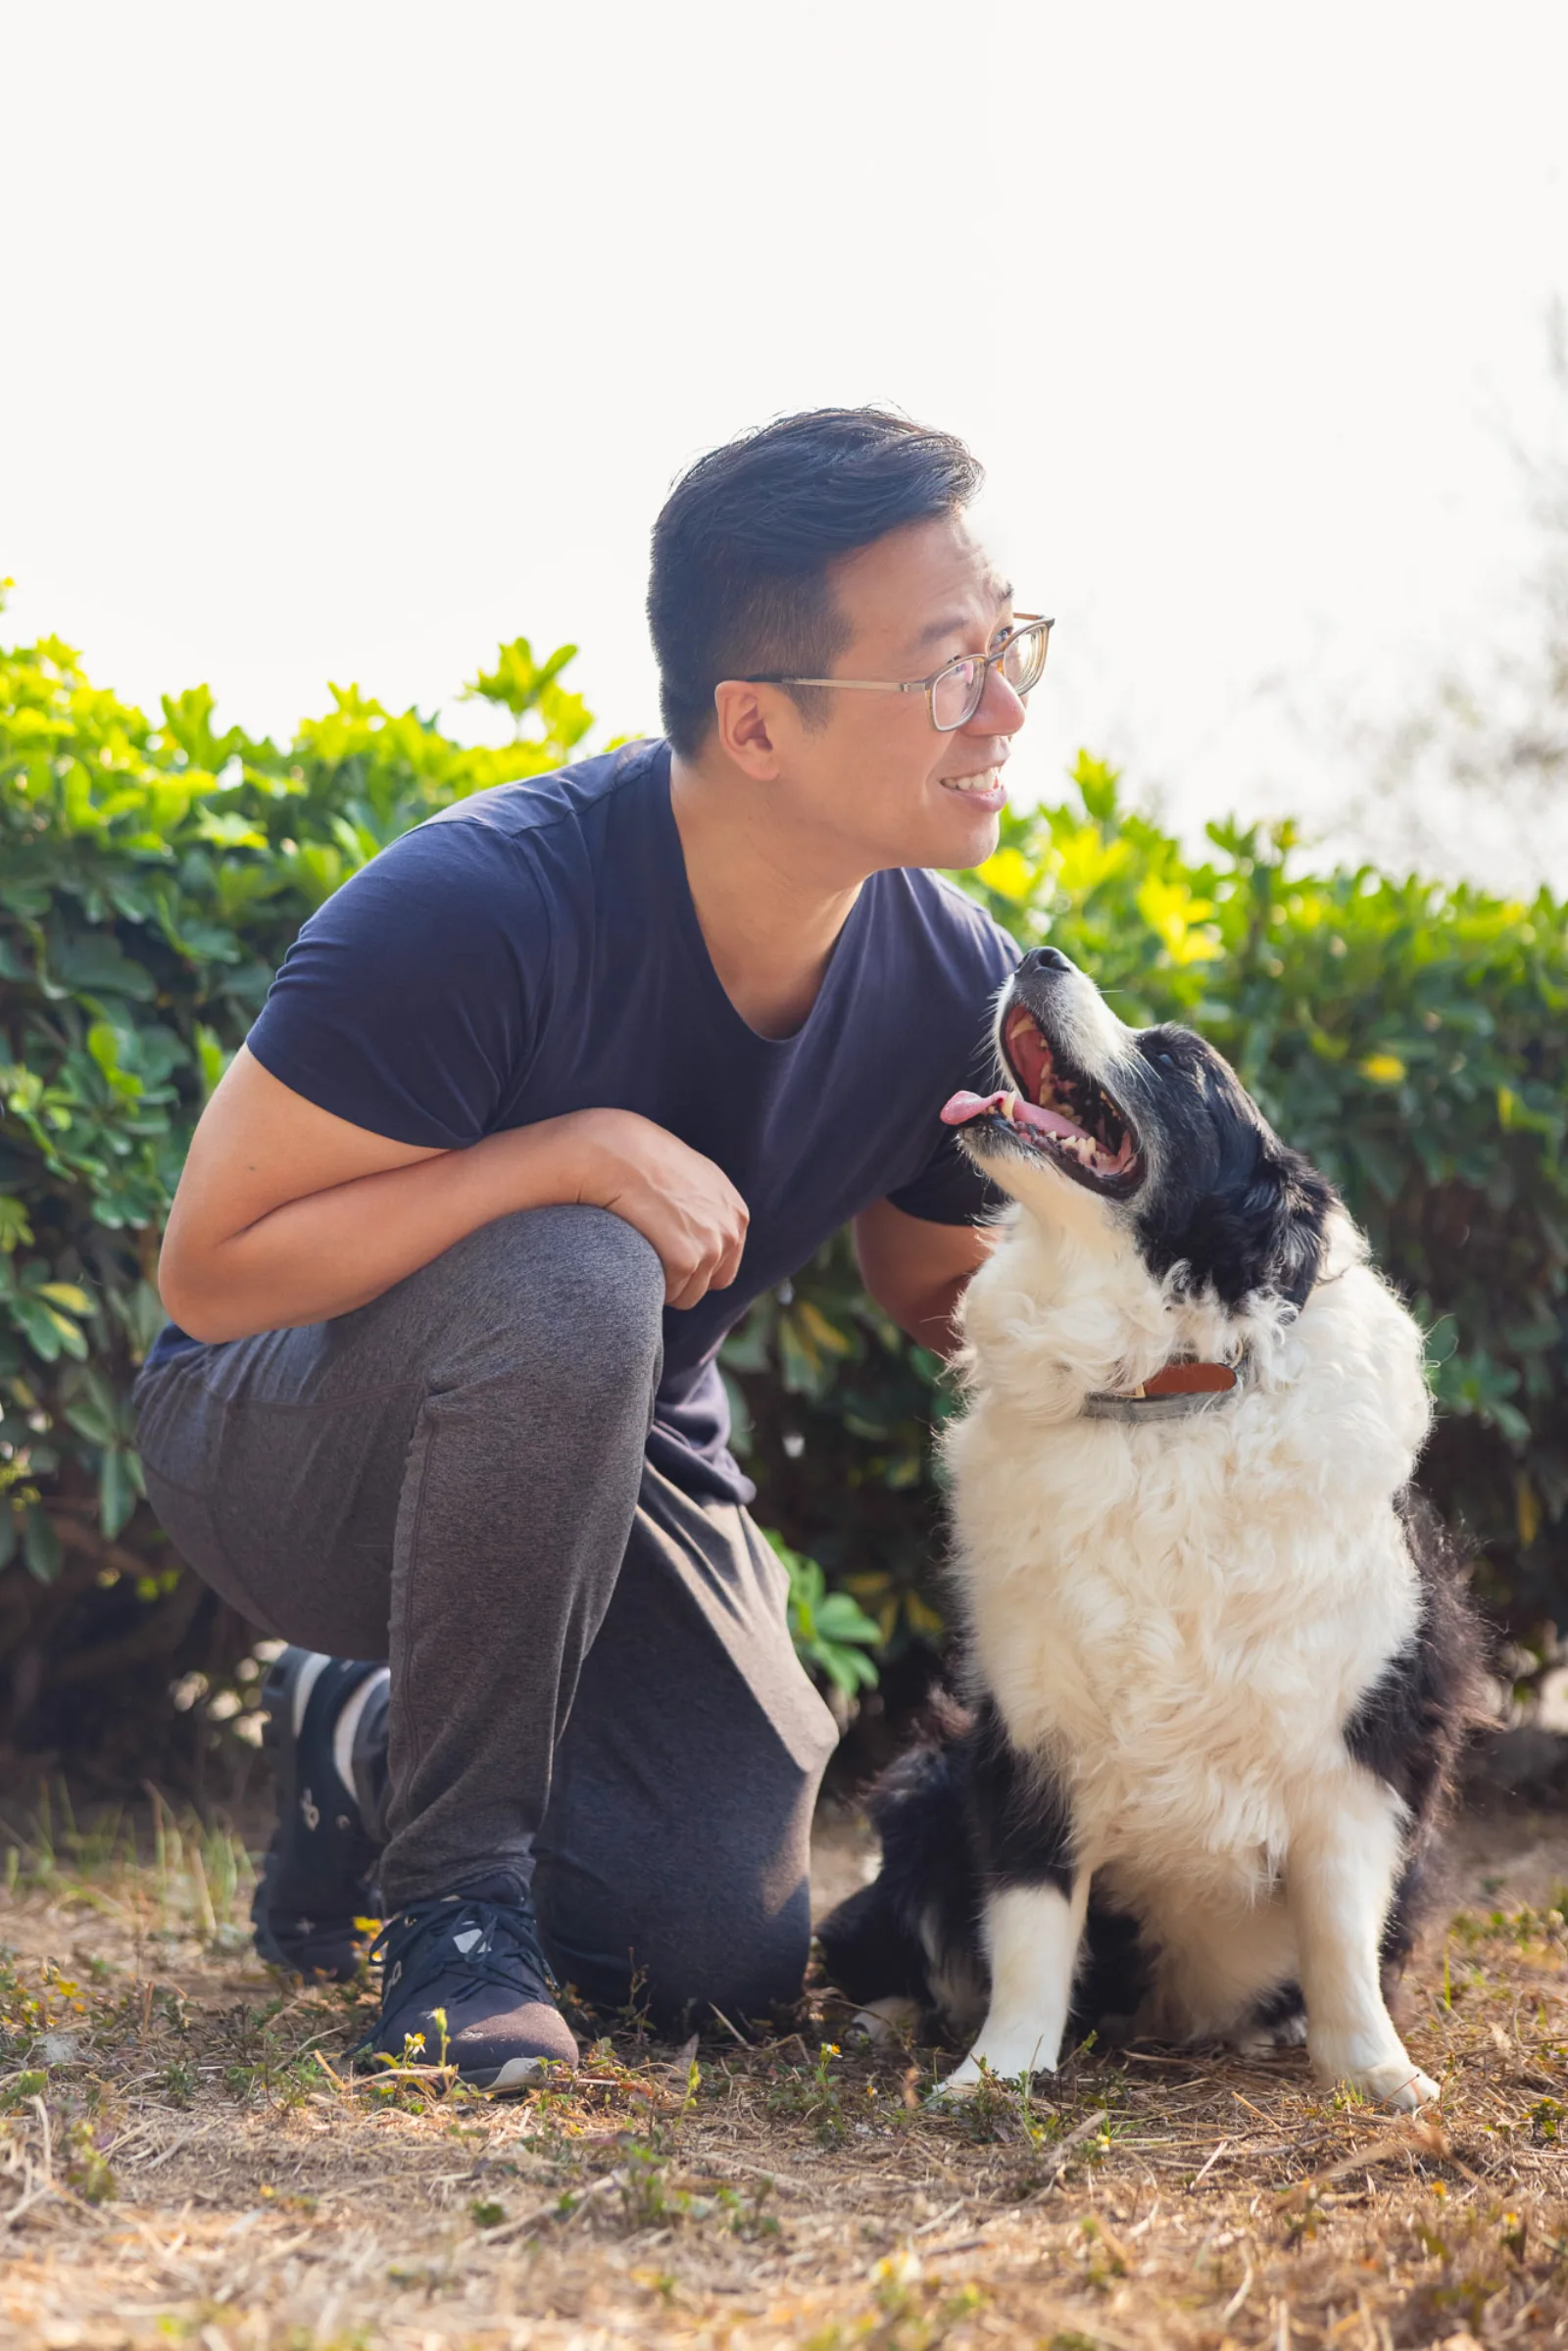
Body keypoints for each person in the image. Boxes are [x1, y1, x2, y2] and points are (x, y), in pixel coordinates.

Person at [134, 407, 1045, 2088]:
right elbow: (213, 1272)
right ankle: (453, 1909)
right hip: (279, 1429)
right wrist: (564, 1157)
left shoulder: (947, 978)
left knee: (713, 1950)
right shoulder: (479, 904)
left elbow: (936, 1286)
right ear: (755, 723)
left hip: (609, 1437)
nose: (1001, 711)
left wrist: (1188, 1351)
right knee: (579, 1263)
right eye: (946, 668)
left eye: (1007, 649)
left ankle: (364, 1728)